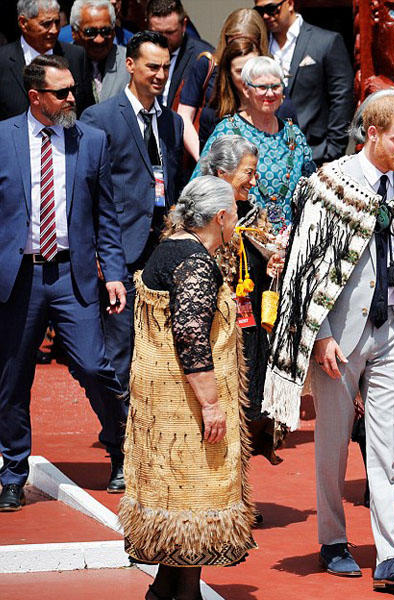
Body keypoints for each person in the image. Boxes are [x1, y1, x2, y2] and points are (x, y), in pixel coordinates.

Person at [262, 92, 394, 589]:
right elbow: (304, 268)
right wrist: (318, 335)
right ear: (373, 133)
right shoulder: (327, 184)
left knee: (387, 449)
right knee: (333, 445)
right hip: (340, 336)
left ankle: (390, 554)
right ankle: (333, 540)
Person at [120, 175, 256, 600]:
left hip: (159, 403)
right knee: (194, 501)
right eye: (234, 214)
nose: (237, 222)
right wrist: (212, 404)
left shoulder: (167, 250)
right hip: (185, 410)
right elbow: (191, 333)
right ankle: (182, 595)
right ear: (219, 217)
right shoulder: (197, 263)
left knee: (177, 500)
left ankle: (164, 589)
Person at [0, 55, 127, 510]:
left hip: (73, 277)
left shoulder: (91, 141)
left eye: (73, 89)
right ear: (35, 97)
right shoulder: (2, 139)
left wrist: (113, 272)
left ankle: (120, 450)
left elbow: (105, 215)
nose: (73, 98)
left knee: (96, 367)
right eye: (62, 93)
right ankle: (13, 472)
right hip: (18, 278)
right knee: (12, 379)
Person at [80, 31, 183, 395]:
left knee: (161, 344)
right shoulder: (100, 118)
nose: (160, 74)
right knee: (119, 347)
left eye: (166, 67)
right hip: (118, 250)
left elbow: (171, 183)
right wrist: (95, 251)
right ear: (130, 65)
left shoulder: (172, 122)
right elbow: (86, 191)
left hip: (161, 249)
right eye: (152, 66)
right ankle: (119, 435)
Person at [194, 135, 287, 467]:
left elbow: (262, 259)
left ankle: (238, 493)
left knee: (245, 412)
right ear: (222, 173)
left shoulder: (252, 215)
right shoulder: (197, 217)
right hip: (211, 330)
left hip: (248, 329)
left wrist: (272, 263)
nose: (254, 179)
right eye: (248, 172)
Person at [195, 56, 314, 231]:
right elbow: (202, 185)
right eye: (262, 87)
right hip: (240, 236)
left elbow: (312, 186)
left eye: (275, 86)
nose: (270, 93)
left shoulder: (294, 134)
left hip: (288, 239)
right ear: (246, 88)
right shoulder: (228, 129)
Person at [254, 0, 354, 164]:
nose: (265, 16)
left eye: (272, 9)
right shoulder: (259, 46)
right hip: (268, 156)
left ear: (290, 4)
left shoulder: (325, 42)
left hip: (316, 153)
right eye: (259, 11)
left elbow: (342, 98)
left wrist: (333, 150)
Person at [176, 8, 272, 160]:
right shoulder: (208, 64)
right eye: (233, 41)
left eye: (246, 42)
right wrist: (204, 159)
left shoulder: (269, 73)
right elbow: (184, 116)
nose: (239, 47)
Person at [0, 0, 94, 120]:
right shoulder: (3, 61)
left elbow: (86, 110)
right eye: (46, 24)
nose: (54, 30)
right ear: (23, 23)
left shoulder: (76, 56)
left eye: (57, 22)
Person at [145, 0, 212, 110]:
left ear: (184, 25)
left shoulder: (202, 57)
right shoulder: (140, 52)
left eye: (170, 32)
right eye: (157, 33)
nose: (163, 39)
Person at [68, 0, 129, 103]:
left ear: (114, 30)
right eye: (90, 32)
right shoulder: (62, 60)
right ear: (74, 32)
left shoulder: (129, 62)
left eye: (106, 31)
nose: (99, 39)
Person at [59, 0, 133, 46]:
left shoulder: (129, 39)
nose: (114, 1)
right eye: (90, 32)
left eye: (105, 31)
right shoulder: (61, 39)